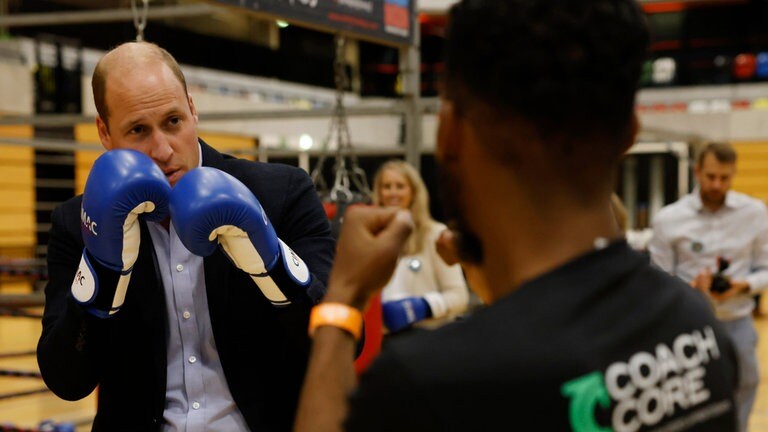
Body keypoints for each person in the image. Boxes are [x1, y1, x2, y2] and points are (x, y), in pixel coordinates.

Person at [293, 1, 740, 431]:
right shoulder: (696, 322)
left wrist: (343, 302)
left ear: (449, 134)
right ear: (629, 135)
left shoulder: (433, 382)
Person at [36, 41, 334, 431]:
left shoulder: (281, 194)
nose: (162, 149)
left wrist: (272, 263)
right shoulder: (78, 223)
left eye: (173, 121)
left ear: (193, 109)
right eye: (138, 130)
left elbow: (337, 344)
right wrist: (101, 274)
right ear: (105, 133)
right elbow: (66, 381)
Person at [649, 141, 768, 431]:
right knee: (691, 394)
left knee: (747, 382)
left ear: (734, 174)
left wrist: (744, 285)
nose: (717, 184)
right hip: (688, 326)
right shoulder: (668, 219)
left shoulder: (755, 213)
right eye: (711, 176)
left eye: (725, 178)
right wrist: (690, 289)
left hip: (738, 320)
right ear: (697, 171)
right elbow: (656, 278)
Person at [372, 160, 469, 333]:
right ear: (379, 193)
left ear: (413, 192)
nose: (393, 192)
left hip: (425, 337)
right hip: (381, 340)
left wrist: (423, 307)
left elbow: (459, 297)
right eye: (387, 186)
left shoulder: (435, 235)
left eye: (400, 186)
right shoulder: (371, 238)